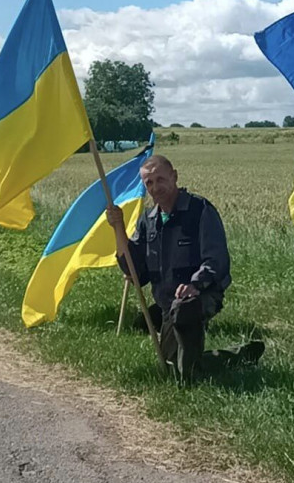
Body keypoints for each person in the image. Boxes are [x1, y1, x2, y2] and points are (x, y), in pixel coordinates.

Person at [107, 154, 261, 381]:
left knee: (183, 372)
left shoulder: (200, 210)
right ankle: (237, 356)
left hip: (201, 297)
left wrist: (195, 285)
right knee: (175, 369)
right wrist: (117, 226)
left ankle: (214, 361)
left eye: (160, 179)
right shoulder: (147, 221)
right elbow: (135, 272)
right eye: (149, 183)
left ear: (174, 177)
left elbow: (216, 261)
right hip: (167, 304)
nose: (155, 187)